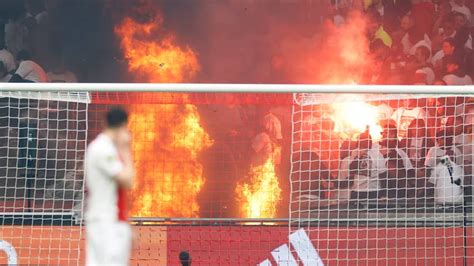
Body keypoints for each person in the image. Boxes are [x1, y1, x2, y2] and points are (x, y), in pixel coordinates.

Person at [85, 107, 134, 266]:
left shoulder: (107, 148)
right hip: (105, 221)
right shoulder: (103, 149)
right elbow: (128, 180)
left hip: (111, 220)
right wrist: (126, 149)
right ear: (123, 126)